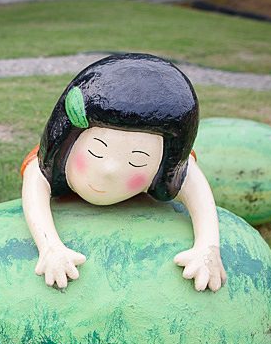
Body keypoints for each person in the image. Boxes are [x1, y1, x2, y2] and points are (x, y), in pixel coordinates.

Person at [21, 53, 226, 292]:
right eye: (97, 150)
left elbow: (196, 188)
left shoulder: (176, 169)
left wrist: (208, 248)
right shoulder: (45, 165)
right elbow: (35, 184)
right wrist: (49, 248)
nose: (110, 169)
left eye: (138, 160)